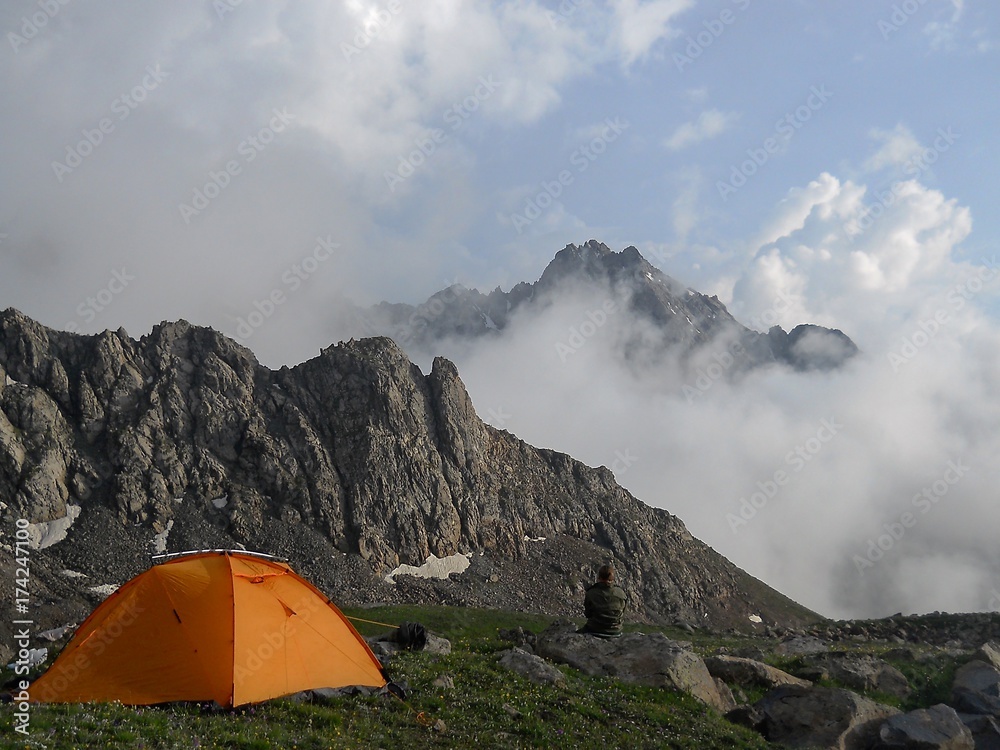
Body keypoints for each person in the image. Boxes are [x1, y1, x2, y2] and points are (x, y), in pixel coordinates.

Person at [580, 564, 626, 637]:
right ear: (613, 578)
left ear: (599, 577)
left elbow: (587, 614)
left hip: (595, 630)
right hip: (616, 631)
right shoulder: (621, 593)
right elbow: (623, 612)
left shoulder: (591, 593)